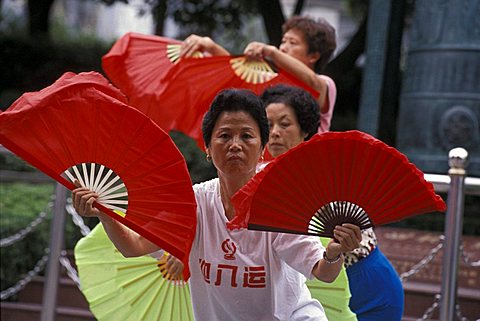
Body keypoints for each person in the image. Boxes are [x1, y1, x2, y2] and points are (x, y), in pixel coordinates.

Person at [72, 88, 362, 321]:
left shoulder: (278, 203)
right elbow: (132, 246)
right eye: (224, 136)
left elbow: (323, 271)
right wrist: (104, 213)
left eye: (246, 136)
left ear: (262, 149)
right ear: (208, 149)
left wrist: (335, 253)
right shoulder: (194, 203)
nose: (235, 144)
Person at [260, 84, 405, 321]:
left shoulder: (329, 172)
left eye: (285, 124)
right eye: (268, 125)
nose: (275, 132)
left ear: (304, 129)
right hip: (315, 287)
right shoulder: (261, 179)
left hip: (368, 281)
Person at [180, 15, 337, 133]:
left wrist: (270, 51)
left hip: (305, 167)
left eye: (292, 43)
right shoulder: (274, 84)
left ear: (314, 56)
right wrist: (211, 47)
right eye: (283, 41)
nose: (283, 47)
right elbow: (237, 79)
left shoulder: (324, 84)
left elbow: (314, 83)